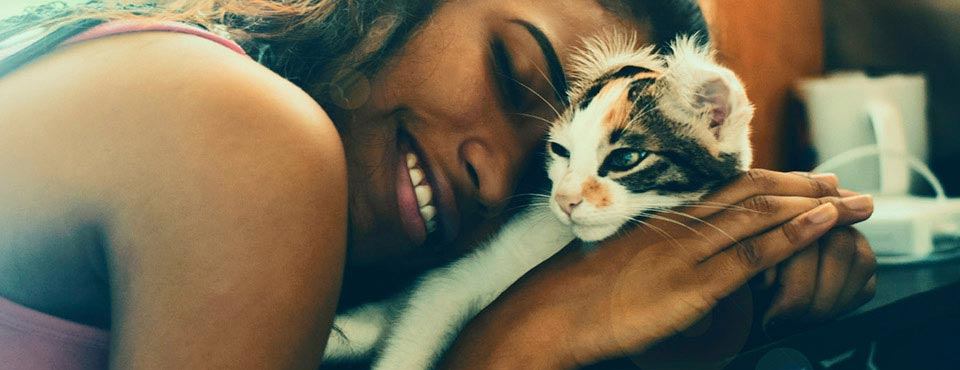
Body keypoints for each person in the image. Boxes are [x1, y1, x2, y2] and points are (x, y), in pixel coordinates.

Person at [0, 1, 876, 369]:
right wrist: (514, 346)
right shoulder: (250, 132)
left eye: (549, 149)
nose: (501, 177)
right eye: (510, 66)